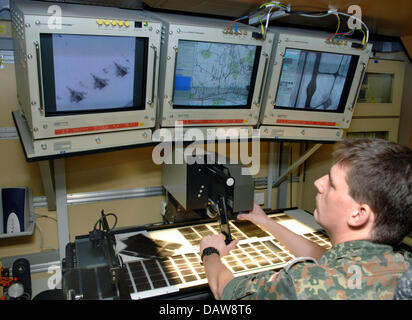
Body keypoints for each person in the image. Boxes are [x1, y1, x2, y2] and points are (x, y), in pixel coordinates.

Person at [200, 138, 412, 300]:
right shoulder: (402, 266)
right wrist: (266, 222)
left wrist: (210, 253)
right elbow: (332, 260)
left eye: (331, 183)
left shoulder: (302, 286)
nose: (319, 183)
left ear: (358, 214)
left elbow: (225, 290)